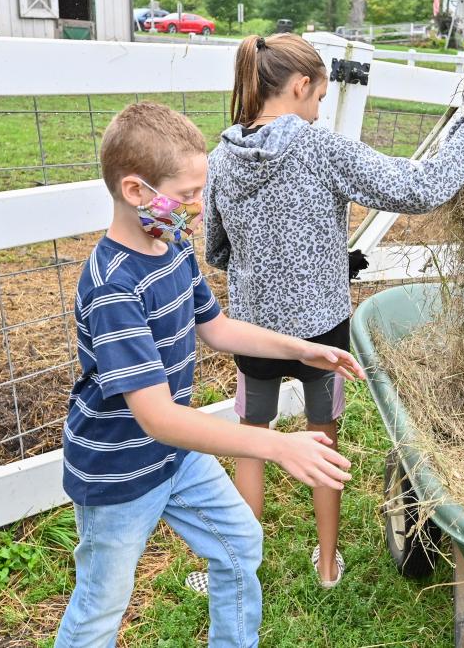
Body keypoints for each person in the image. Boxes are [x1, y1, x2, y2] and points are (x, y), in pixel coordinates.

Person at [55, 101, 365, 647]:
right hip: (118, 473)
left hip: (177, 457)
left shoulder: (170, 243)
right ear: (136, 192)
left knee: (239, 544)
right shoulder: (113, 287)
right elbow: (156, 418)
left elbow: (217, 327)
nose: (200, 205)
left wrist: (303, 348)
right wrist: (277, 447)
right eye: (190, 193)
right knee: (102, 606)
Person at [203, 33, 464, 589]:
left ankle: (242, 569)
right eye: (318, 98)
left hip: (250, 331)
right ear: (299, 86)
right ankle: (325, 566)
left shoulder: (221, 158)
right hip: (322, 331)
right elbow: (421, 188)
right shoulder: (322, 149)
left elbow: (216, 251)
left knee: (251, 437)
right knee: (323, 436)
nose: (319, 112)